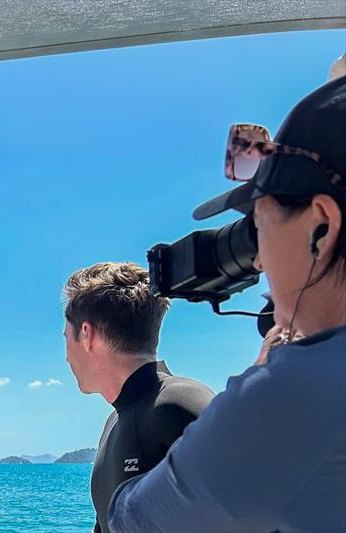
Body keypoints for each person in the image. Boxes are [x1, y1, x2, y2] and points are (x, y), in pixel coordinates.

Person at [108, 78, 346, 532]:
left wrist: (263, 380)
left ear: (321, 226)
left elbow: (140, 522)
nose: (258, 259)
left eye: (261, 226)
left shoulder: (298, 388)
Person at [62, 262, 214, 533]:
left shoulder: (180, 404)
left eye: (66, 338)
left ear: (87, 335)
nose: (65, 356)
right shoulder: (114, 422)